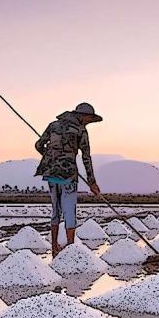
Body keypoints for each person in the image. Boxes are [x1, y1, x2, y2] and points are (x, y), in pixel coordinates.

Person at [34, 102, 102, 256]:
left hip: (51, 173)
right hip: (68, 174)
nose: (88, 122)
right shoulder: (80, 131)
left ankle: (54, 248)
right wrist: (92, 182)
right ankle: (71, 250)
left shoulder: (53, 126)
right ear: (83, 117)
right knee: (70, 211)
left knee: (55, 211)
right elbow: (86, 157)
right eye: (89, 119)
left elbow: (39, 145)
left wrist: (51, 157)